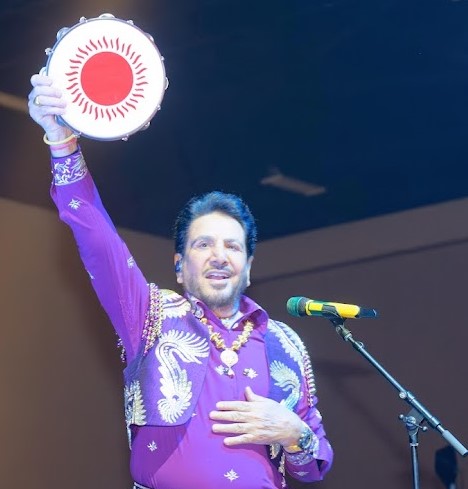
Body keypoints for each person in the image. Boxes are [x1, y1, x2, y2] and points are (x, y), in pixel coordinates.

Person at [28, 73, 333, 489]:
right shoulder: (150, 316)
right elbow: (96, 237)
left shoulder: (285, 343)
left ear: (248, 267)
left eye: (232, 246)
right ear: (179, 266)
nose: (219, 255)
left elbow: (312, 468)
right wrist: (62, 143)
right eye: (203, 244)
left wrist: (294, 433)